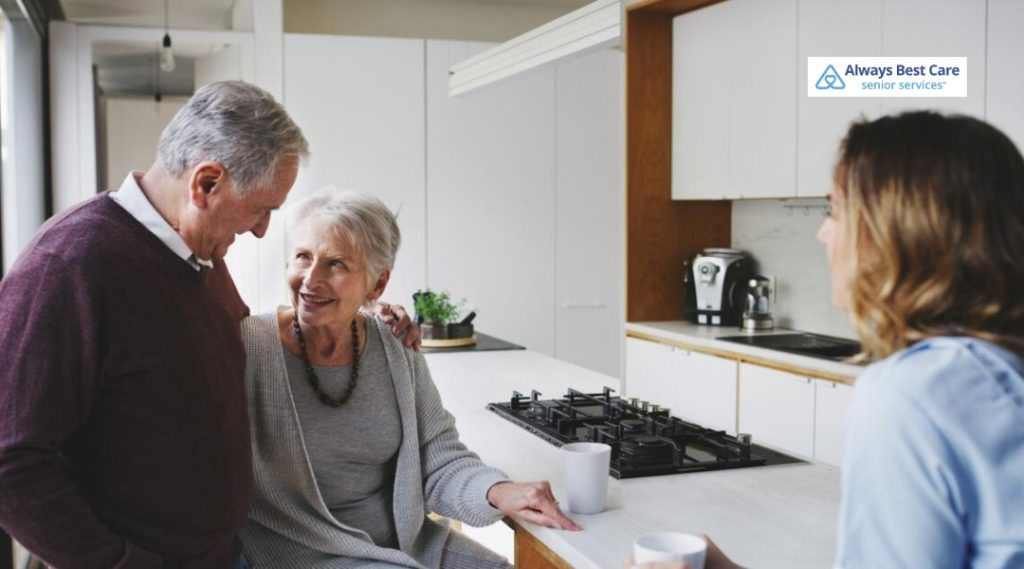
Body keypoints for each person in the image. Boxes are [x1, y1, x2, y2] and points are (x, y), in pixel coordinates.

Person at [0, 81, 417, 568]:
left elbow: (230, 351)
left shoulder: (198, 255)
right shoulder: (70, 264)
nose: (262, 229)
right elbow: (11, 460)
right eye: (261, 208)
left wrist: (369, 315)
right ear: (206, 183)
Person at [635, 111, 1024, 569]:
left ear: (897, 234)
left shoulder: (912, 394)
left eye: (835, 211)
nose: (823, 232)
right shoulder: (999, 367)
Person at [239, 188, 581, 568]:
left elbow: (437, 456)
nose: (311, 279)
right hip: (301, 554)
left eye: (335, 264)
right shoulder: (250, 346)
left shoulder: (394, 343)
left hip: (405, 543)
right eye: (303, 256)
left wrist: (496, 490)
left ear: (378, 284)